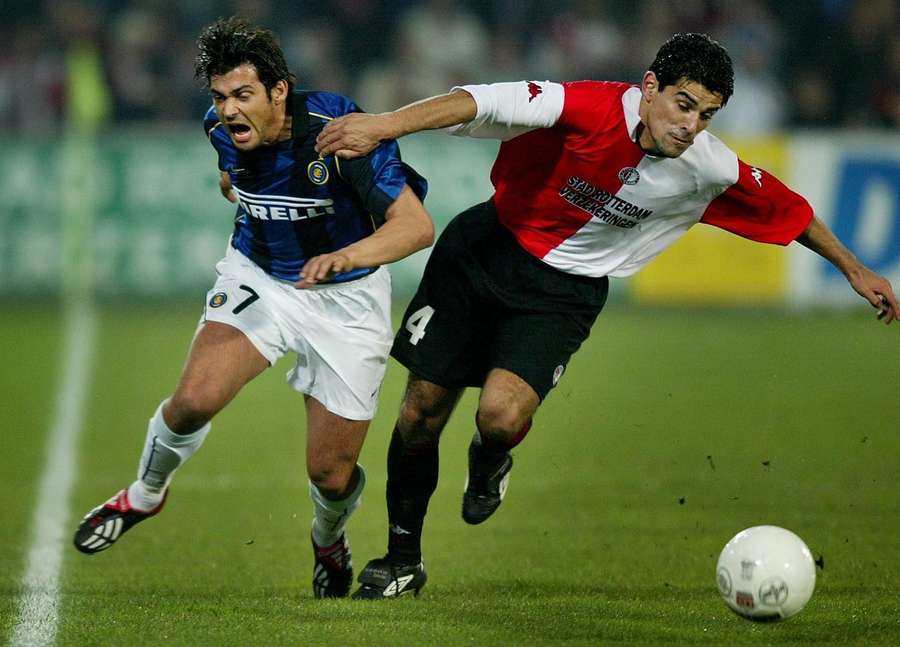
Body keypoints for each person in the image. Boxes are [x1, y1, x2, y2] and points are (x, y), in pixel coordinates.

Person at [314, 32, 899, 600]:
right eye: (683, 104)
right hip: (483, 252)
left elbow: (791, 210)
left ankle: (490, 457)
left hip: (562, 294)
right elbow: (479, 101)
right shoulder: (584, 106)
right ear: (650, 87)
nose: (690, 125)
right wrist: (384, 125)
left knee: (499, 417)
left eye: (706, 115)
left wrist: (854, 269)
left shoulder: (710, 167)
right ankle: (402, 560)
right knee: (419, 412)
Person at [72, 17, 434, 600]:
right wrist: (235, 187)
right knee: (193, 400)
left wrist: (346, 255)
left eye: (243, 95)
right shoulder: (219, 128)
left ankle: (327, 538)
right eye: (220, 96)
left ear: (279, 90)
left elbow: (415, 227)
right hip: (260, 277)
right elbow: (231, 176)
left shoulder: (339, 132)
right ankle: (144, 494)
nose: (229, 110)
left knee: (330, 474)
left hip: (348, 296)